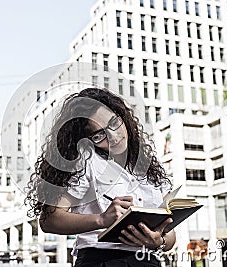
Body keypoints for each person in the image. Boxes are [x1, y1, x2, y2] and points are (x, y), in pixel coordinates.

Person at [25, 88, 176, 266]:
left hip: (148, 260)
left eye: (114, 123)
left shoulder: (147, 166)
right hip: (101, 260)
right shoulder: (86, 160)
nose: (113, 137)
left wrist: (160, 242)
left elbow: (170, 234)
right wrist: (102, 219)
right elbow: (49, 220)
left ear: (123, 116)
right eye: (98, 135)